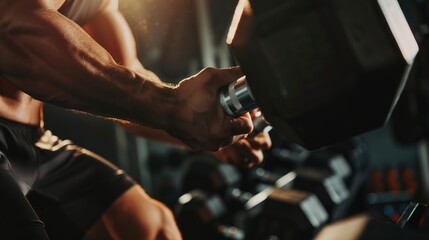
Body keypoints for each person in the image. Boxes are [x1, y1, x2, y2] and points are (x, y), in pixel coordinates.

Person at [0, 0, 272, 239]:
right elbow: (13, 29)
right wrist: (170, 107)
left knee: (152, 229)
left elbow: (125, 80)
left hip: (33, 140)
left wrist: (203, 125)